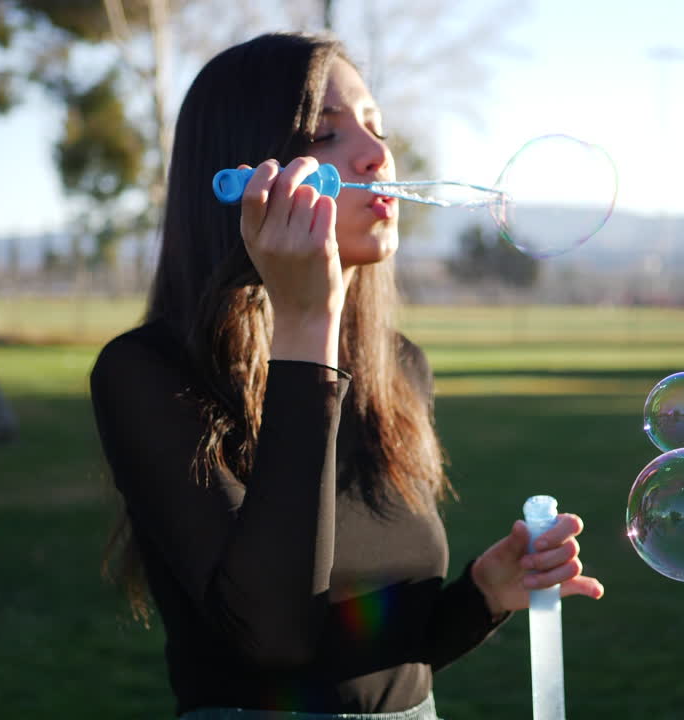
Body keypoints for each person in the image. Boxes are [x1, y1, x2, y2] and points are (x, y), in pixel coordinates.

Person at [89, 32, 604, 720]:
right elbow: (272, 639)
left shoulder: (400, 366)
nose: (376, 154)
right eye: (326, 133)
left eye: (377, 126)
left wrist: (482, 595)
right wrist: (306, 327)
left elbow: (371, 673)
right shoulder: (149, 373)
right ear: (243, 170)